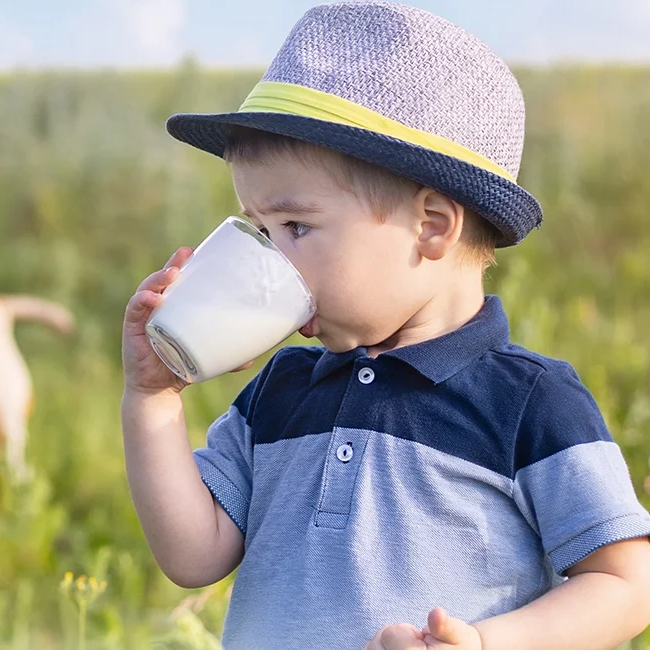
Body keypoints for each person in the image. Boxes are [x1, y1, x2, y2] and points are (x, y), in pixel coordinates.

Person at [119, 2, 650, 648]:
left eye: (296, 227)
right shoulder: (281, 393)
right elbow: (193, 555)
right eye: (258, 229)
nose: (268, 258)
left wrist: (485, 643)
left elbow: (627, 583)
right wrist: (152, 399)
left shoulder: (529, 404)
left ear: (431, 226)